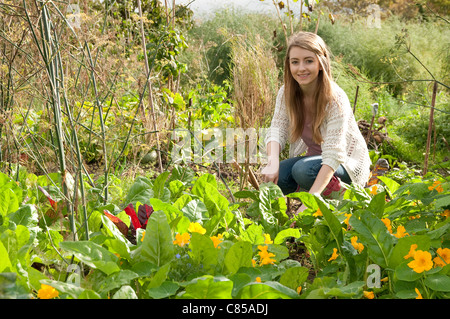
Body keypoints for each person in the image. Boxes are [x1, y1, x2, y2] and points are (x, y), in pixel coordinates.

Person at [261, 31, 371, 213]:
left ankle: (348, 198)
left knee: (302, 171)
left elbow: (334, 155)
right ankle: (321, 199)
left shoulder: (335, 99)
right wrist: (272, 163)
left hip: (344, 165)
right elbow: (277, 129)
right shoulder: (286, 92)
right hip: (314, 161)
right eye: (295, 62)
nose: (301, 68)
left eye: (308, 61)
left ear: (321, 62)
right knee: (278, 176)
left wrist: (310, 202)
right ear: (288, 65)